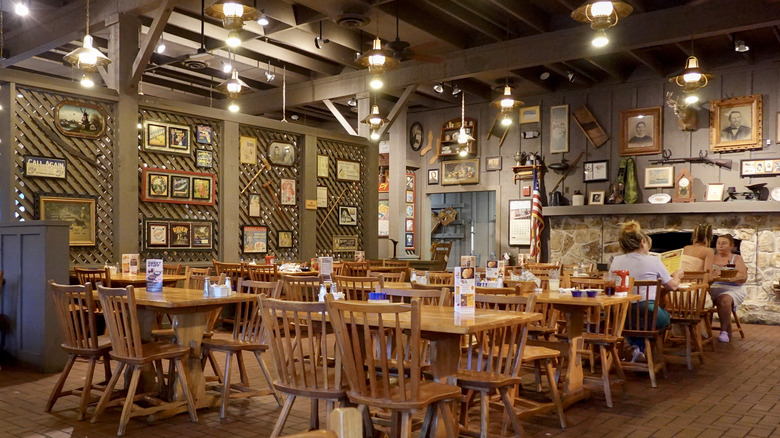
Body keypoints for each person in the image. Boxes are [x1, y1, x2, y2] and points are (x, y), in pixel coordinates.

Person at [610, 221, 683, 362]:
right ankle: (639, 350)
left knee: (634, 320)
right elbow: (673, 286)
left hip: (621, 314)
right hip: (648, 313)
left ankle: (636, 348)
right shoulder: (653, 261)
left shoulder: (616, 261)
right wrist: (677, 275)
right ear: (642, 242)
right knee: (662, 318)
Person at [709, 234, 747, 343]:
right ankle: (702, 331)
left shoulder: (736, 258)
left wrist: (724, 274)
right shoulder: (711, 258)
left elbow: (743, 276)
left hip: (732, 288)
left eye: (724, 243)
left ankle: (724, 331)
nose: (720, 246)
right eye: (718, 243)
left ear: (731, 246)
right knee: (699, 297)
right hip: (713, 287)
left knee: (724, 300)